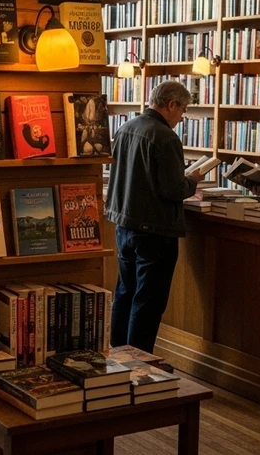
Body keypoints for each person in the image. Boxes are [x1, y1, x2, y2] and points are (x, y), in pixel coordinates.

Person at [106, 81, 205, 352]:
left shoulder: (126, 128)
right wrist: (192, 180)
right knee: (148, 300)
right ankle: (140, 362)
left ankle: (117, 355)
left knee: (125, 293)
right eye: (183, 110)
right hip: (155, 229)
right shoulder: (164, 136)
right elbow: (173, 189)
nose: (182, 117)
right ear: (171, 104)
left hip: (124, 224)